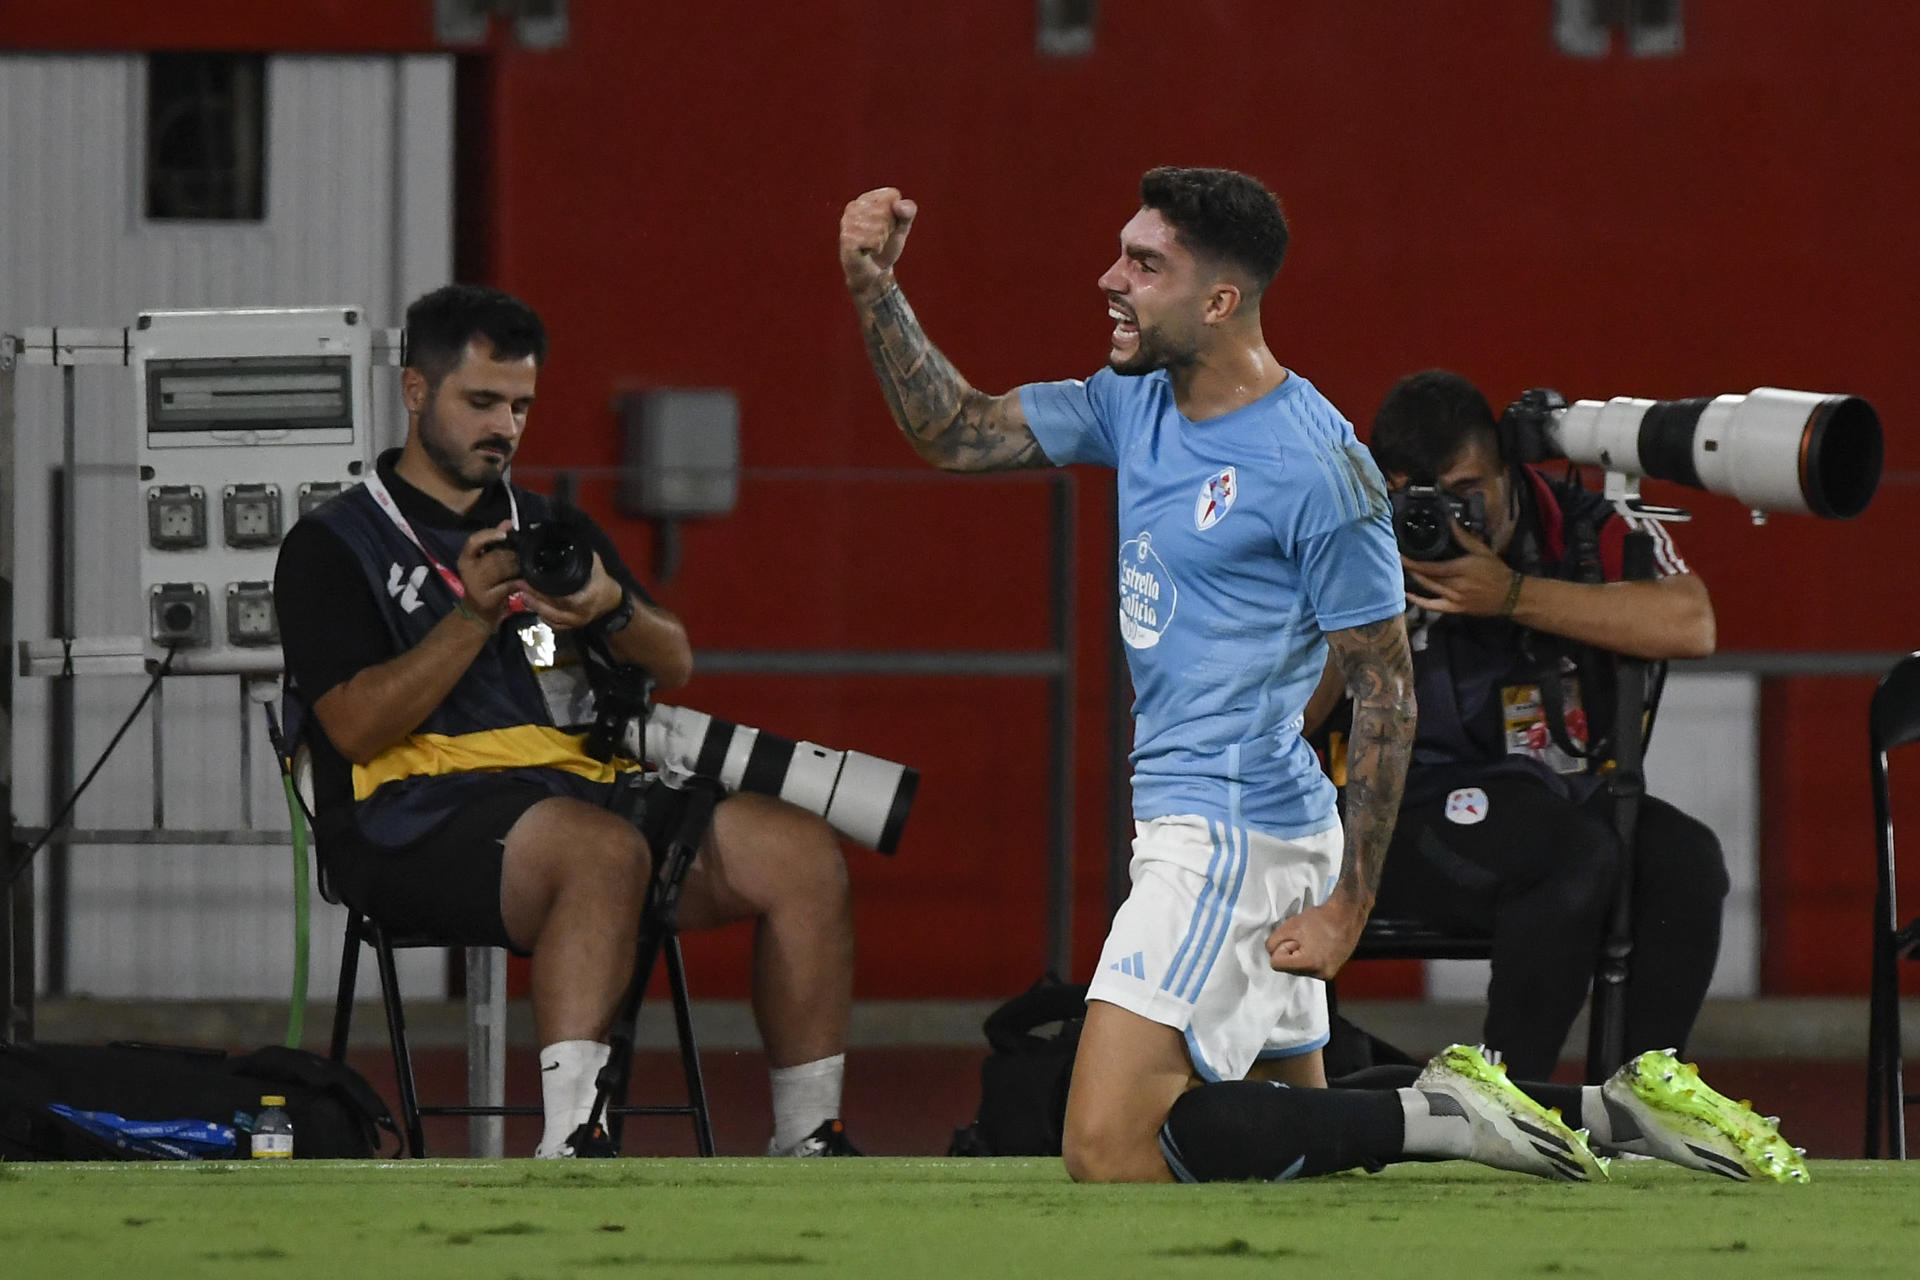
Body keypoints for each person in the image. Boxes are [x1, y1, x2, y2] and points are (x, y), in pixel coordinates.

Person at [840, 168, 1804, 1186]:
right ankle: (1610, 1107)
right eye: (1122, 252)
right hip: (1242, 822)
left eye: (1144, 263)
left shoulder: (1318, 467)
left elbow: (1386, 688)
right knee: (1306, 1145)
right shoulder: (1132, 399)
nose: (1109, 278)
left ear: (1219, 301)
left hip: (1229, 832)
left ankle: (1439, 1115)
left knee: (1107, 1145)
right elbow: (958, 431)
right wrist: (874, 286)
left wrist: (1348, 907)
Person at [273, 284, 860, 1159]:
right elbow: (353, 731)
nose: (504, 427)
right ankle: (572, 1142)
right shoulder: (333, 544)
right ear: (414, 392)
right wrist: (471, 617)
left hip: (570, 791)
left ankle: (809, 1141)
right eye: (481, 402)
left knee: (802, 855)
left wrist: (610, 605)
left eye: (520, 406)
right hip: (406, 816)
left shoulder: (549, 527)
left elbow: (676, 660)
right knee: (601, 852)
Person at [1315, 369, 1730, 1083]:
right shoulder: (1348, 537)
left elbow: (1691, 622)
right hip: (1394, 815)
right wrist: (1361, 591)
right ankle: (1510, 1095)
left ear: (1510, 471)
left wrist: (1512, 596)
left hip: (1566, 794)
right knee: (1570, 856)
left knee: (1685, 861)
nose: (1446, 517)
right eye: (1418, 498)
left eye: (1466, 492)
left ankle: (1640, 1098)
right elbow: (1291, 712)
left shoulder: (1578, 522)